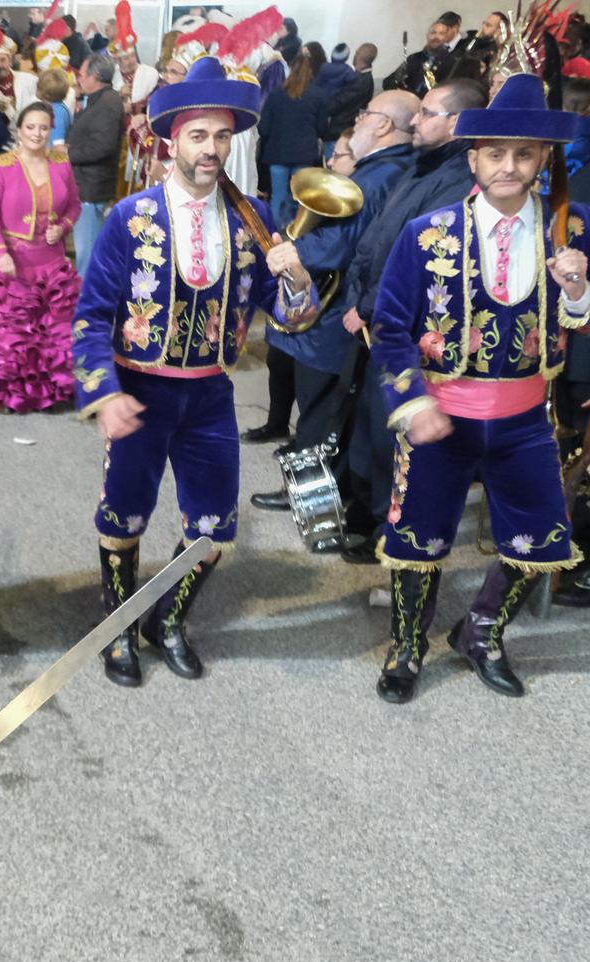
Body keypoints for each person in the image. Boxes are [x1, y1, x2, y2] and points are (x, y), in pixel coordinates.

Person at [71, 57, 317, 688]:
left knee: (213, 527)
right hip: (141, 390)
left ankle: (167, 621)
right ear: (171, 139)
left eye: (222, 137)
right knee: (122, 518)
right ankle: (118, 628)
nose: (211, 149)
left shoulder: (252, 219)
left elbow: (291, 317)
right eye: (199, 136)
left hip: (210, 394)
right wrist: (103, 393)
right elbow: (91, 316)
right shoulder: (133, 219)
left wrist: (295, 276)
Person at [366, 74, 589, 702]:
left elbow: (581, 322)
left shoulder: (572, 230)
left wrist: (578, 290)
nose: (509, 167)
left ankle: (481, 630)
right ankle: (408, 643)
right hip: (441, 413)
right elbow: (389, 329)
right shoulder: (429, 234)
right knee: (418, 541)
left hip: (524, 421)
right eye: (496, 153)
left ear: (544, 158)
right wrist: (411, 402)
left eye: (524, 154)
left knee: (543, 539)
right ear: (474, 158)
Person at [250, 92, 419, 542]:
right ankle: (318, 500)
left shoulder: (379, 175)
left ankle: (312, 506)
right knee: (323, 413)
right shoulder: (387, 170)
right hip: (337, 313)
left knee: (320, 414)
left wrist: (294, 250)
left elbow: (350, 246)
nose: (359, 121)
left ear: (383, 126)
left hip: (334, 317)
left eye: (366, 115)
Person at [335, 79, 486, 557]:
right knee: (366, 432)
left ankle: (389, 535)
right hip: (375, 318)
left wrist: (368, 306)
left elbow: (420, 262)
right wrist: (356, 294)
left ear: (456, 123)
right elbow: (378, 238)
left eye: (427, 113)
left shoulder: (458, 179)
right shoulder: (421, 165)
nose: (415, 121)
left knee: (392, 444)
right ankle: (364, 517)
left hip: (403, 328)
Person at [0, 101, 80, 411]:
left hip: (51, 261)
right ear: (19, 130)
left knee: (50, 331)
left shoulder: (61, 164)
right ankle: (5, 393)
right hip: (10, 263)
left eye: (43, 127)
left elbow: (75, 205)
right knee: (12, 333)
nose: (37, 133)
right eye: (30, 127)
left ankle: (50, 392)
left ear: (51, 130)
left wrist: (63, 226)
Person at [257, 48, 333, 230]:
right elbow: (323, 128)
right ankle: (298, 231)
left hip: (277, 153)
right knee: (301, 196)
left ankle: (274, 232)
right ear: (312, 71)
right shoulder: (318, 95)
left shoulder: (276, 95)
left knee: (278, 196)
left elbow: (263, 128)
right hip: (304, 154)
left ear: (290, 69)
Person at [68, 52, 124, 261]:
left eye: (82, 74)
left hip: (92, 188)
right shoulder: (98, 100)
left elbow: (103, 146)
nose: (79, 78)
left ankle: (88, 294)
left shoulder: (108, 103)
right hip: (86, 186)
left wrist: (68, 153)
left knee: (88, 256)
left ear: (95, 77)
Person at [387, 13, 462, 94]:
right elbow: (387, 83)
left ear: (447, 38)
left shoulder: (452, 61)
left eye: (441, 33)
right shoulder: (414, 58)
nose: (436, 37)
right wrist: (398, 84)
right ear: (427, 35)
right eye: (433, 33)